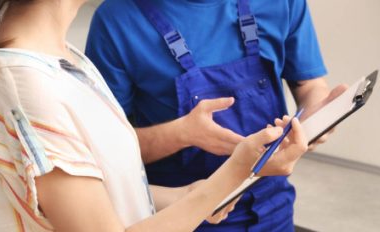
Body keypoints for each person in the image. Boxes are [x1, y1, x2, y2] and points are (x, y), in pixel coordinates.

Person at [0, 0, 310, 231]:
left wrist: (185, 195)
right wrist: (236, 171)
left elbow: (104, 194)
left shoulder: (65, 61)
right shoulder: (26, 88)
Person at [85, 0, 348, 230]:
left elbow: (309, 85)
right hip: (182, 215)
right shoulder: (117, 21)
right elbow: (101, 155)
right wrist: (180, 134)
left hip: (274, 207)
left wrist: (315, 118)